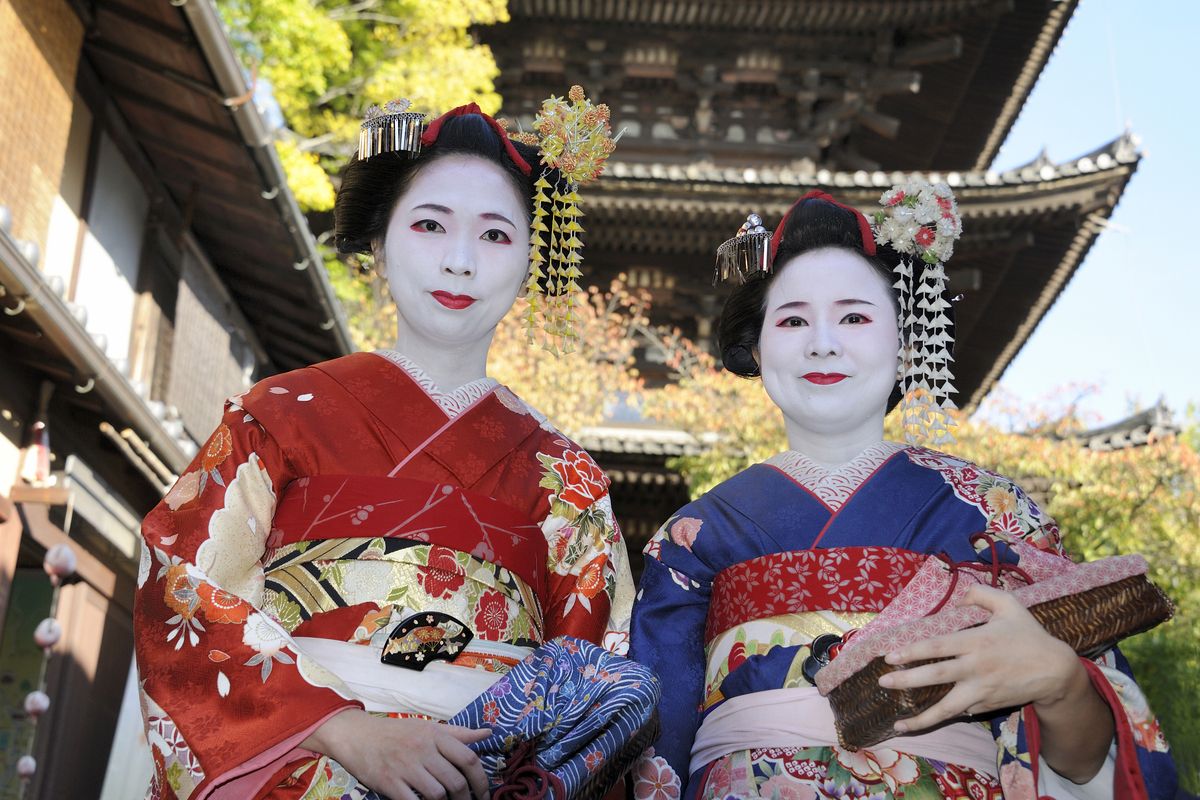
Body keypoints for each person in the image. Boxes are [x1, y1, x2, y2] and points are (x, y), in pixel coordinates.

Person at [134, 93, 656, 800]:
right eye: (431, 225)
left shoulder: (567, 478)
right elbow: (184, 587)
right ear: (379, 244)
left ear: (534, 260)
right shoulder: (277, 414)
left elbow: (597, 671)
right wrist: (344, 729)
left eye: (498, 235)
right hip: (305, 765)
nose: (462, 261)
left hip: (484, 778)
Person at [629, 188, 1177, 800]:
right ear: (757, 350)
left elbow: (1087, 758)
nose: (822, 342)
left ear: (906, 347)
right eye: (791, 320)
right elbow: (655, 748)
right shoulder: (694, 536)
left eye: (855, 316)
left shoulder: (993, 514)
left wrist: (1061, 686)